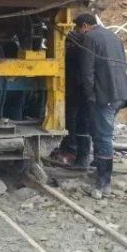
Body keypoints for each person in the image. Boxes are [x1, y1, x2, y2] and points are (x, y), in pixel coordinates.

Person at [74, 12, 127, 193]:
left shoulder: (90, 38)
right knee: (99, 131)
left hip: (104, 95)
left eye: (78, 29)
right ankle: (100, 170)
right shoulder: (114, 36)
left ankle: (104, 181)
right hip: (121, 93)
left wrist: (90, 95)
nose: (79, 32)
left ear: (84, 26)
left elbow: (87, 71)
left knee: (102, 135)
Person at [49, 21, 90, 168]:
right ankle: (73, 150)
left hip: (75, 89)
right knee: (77, 120)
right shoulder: (84, 45)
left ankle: (72, 151)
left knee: (73, 119)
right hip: (79, 89)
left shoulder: (75, 50)